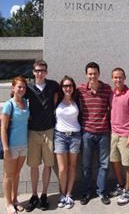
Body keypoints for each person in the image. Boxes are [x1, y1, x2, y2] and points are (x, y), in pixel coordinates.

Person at [25, 60, 59, 212]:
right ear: (33, 72)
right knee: (33, 165)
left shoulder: (53, 85)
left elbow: (64, 97)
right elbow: (17, 100)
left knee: (48, 164)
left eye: (42, 70)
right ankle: (34, 195)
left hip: (48, 130)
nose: (39, 73)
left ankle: (44, 194)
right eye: (37, 70)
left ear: (47, 72)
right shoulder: (28, 87)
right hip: (32, 131)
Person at [78, 62, 111, 205]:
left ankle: (101, 192)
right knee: (86, 165)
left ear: (99, 74)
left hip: (104, 132)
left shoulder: (107, 89)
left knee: (104, 164)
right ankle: (86, 192)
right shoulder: (80, 90)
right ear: (86, 75)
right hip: (87, 133)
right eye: (90, 73)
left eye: (95, 73)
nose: (92, 76)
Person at [109, 67, 129, 205]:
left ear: (125, 78)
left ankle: (128, 190)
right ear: (112, 79)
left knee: (128, 164)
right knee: (114, 161)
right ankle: (120, 185)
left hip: (127, 134)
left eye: (120, 77)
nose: (118, 79)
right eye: (115, 77)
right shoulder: (111, 94)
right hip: (114, 134)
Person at [1, 77, 30, 214]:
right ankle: (8, 203)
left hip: (23, 145)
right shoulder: (9, 105)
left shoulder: (25, 102)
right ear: (13, 88)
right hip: (11, 146)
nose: (22, 89)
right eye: (19, 87)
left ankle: (15, 199)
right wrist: (6, 148)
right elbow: (3, 128)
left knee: (17, 173)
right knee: (9, 175)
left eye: (24, 87)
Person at [54, 75, 81, 209]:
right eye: (65, 86)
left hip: (75, 135)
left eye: (70, 86)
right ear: (61, 87)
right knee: (62, 168)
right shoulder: (56, 99)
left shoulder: (77, 100)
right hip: (60, 136)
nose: (68, 88)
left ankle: (69, 194)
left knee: (72, 166)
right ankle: (62, 194)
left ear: (73, 87)